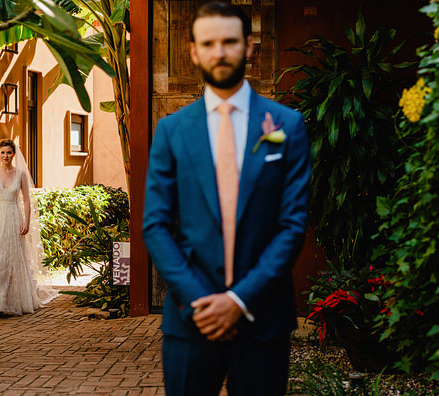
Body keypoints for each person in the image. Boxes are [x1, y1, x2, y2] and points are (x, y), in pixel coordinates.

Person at [141, 2, 310, 394]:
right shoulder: (172, 131)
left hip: (263, 318)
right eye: (209, 43)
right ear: (194, 52)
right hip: (190, 319)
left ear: (249, 46)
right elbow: (156, 225)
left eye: (230, 42)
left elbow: (292, 226)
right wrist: (202, 300)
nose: (220, 52)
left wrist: (238, 299)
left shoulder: (287, 126)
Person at [0, 139, 47, 316]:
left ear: (14, 154)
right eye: (3, 152)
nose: (6, 156)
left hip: (13, 216)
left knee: (11, 258)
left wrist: (27, 221)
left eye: (9, 152)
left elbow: (27, 200)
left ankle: (9, 301)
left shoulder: (20, 174)